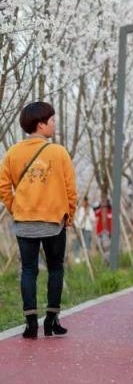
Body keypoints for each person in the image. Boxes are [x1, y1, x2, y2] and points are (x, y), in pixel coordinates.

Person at [0, 102, 77, 339]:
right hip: (54, 222)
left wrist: (17, 208)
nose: (54, 124)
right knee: (55, 268)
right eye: (52, 120)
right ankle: (52, 320)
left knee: (28, 270)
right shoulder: (59, 152)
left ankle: (30, 322)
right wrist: (70, 215)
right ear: (40, 124)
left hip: (25, 222)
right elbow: (70, 188)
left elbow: (3, 186)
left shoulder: (13, 153)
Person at [74, 196, 96, 261]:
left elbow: (93, 218)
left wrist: (88, 214)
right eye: (81, 201)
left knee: (87, 244)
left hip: (87, 228)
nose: (82, 203)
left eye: (83, 201)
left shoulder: (90, 209)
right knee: (77, 243)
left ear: (86, 202)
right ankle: (77, 258)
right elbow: (76, 218)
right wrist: (77, 225)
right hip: (80, 228)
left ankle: (85, 257)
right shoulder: (79, 209)